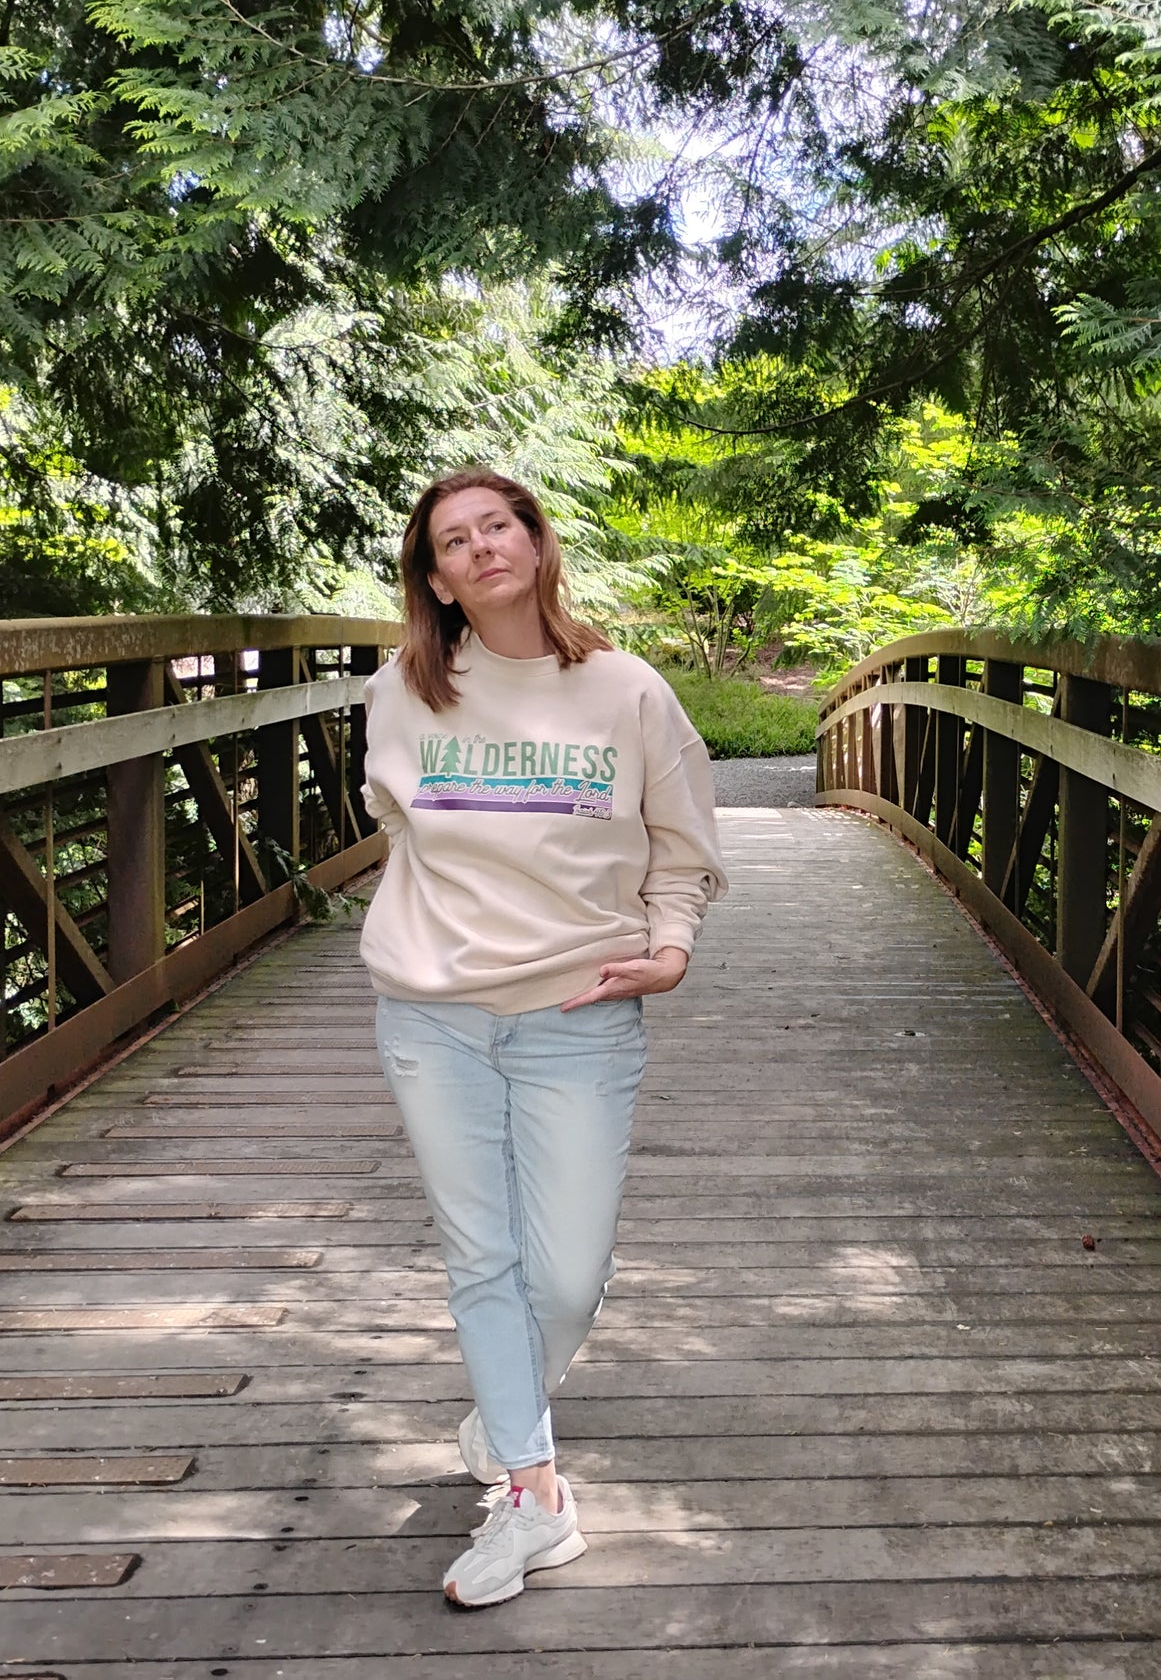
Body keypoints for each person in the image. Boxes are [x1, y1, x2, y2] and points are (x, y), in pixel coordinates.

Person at [358, 467, 726, 1608]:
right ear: (435, 578)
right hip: (431, 1012)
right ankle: (534, 1493)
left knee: (565, 1271)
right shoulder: (404, 690)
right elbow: (399, 835)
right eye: (452, 541)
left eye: (496, 525)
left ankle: (506, 1397)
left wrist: (669, 945)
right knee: (483, 1256)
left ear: (533, 539)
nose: (479, 549)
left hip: (578, 1009)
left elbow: (683, 839)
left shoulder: (623, 689)